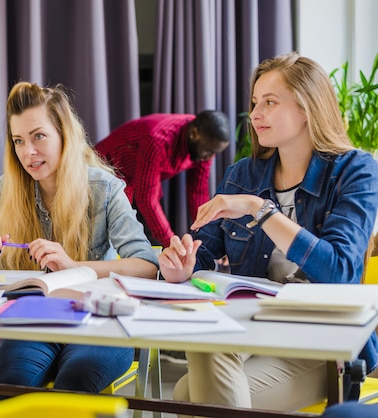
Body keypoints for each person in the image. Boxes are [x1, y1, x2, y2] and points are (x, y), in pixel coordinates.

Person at [159, 51, 378, 414]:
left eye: (270, 102)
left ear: (307, 107)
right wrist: (184, 264)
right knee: (205, 342)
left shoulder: (356, 170)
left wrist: (261, 211)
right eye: (255, 102)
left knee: (186, 394)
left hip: (324, 341)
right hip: (253, 327)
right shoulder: (244, 173)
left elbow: (340, 270)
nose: (255, 114)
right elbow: (205, 251)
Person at [0, 81, 158, 400]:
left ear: (65, 135)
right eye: (18, 140)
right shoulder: (8, 189)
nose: (28, 152)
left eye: (38, 136)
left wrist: (74, 266)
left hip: (101, 323)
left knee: (74, 384)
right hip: (35, 320)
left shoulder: (105, 189)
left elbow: (146, 266)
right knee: (11, 382)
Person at [94, 111, 230, 248]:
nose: (209, 158)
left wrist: (211, 239)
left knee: (152, 242)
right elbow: (146, 198)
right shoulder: (158, 138)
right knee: (115, 240)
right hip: (105, 174)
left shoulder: (203, 142)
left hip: (138, 181)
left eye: (214, 152)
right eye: (208, 151)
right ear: (194, 134)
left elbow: (198, 193)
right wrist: (171, 243)